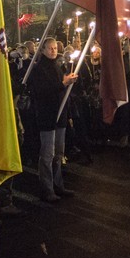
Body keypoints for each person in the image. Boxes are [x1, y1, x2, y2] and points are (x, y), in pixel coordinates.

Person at [27, 38, 77, 202]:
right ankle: (47, 189)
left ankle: (58, 185)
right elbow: (43, 91)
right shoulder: (38, 69)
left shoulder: (58, 65)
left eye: (55, 48)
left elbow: (61, 90)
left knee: (58, 154)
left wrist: (68, 80)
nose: (53, 51)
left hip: (60, 115)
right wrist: (63, 83)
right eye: (50, 48)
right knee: (47, 155)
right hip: (47, 115)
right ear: (42, 50)